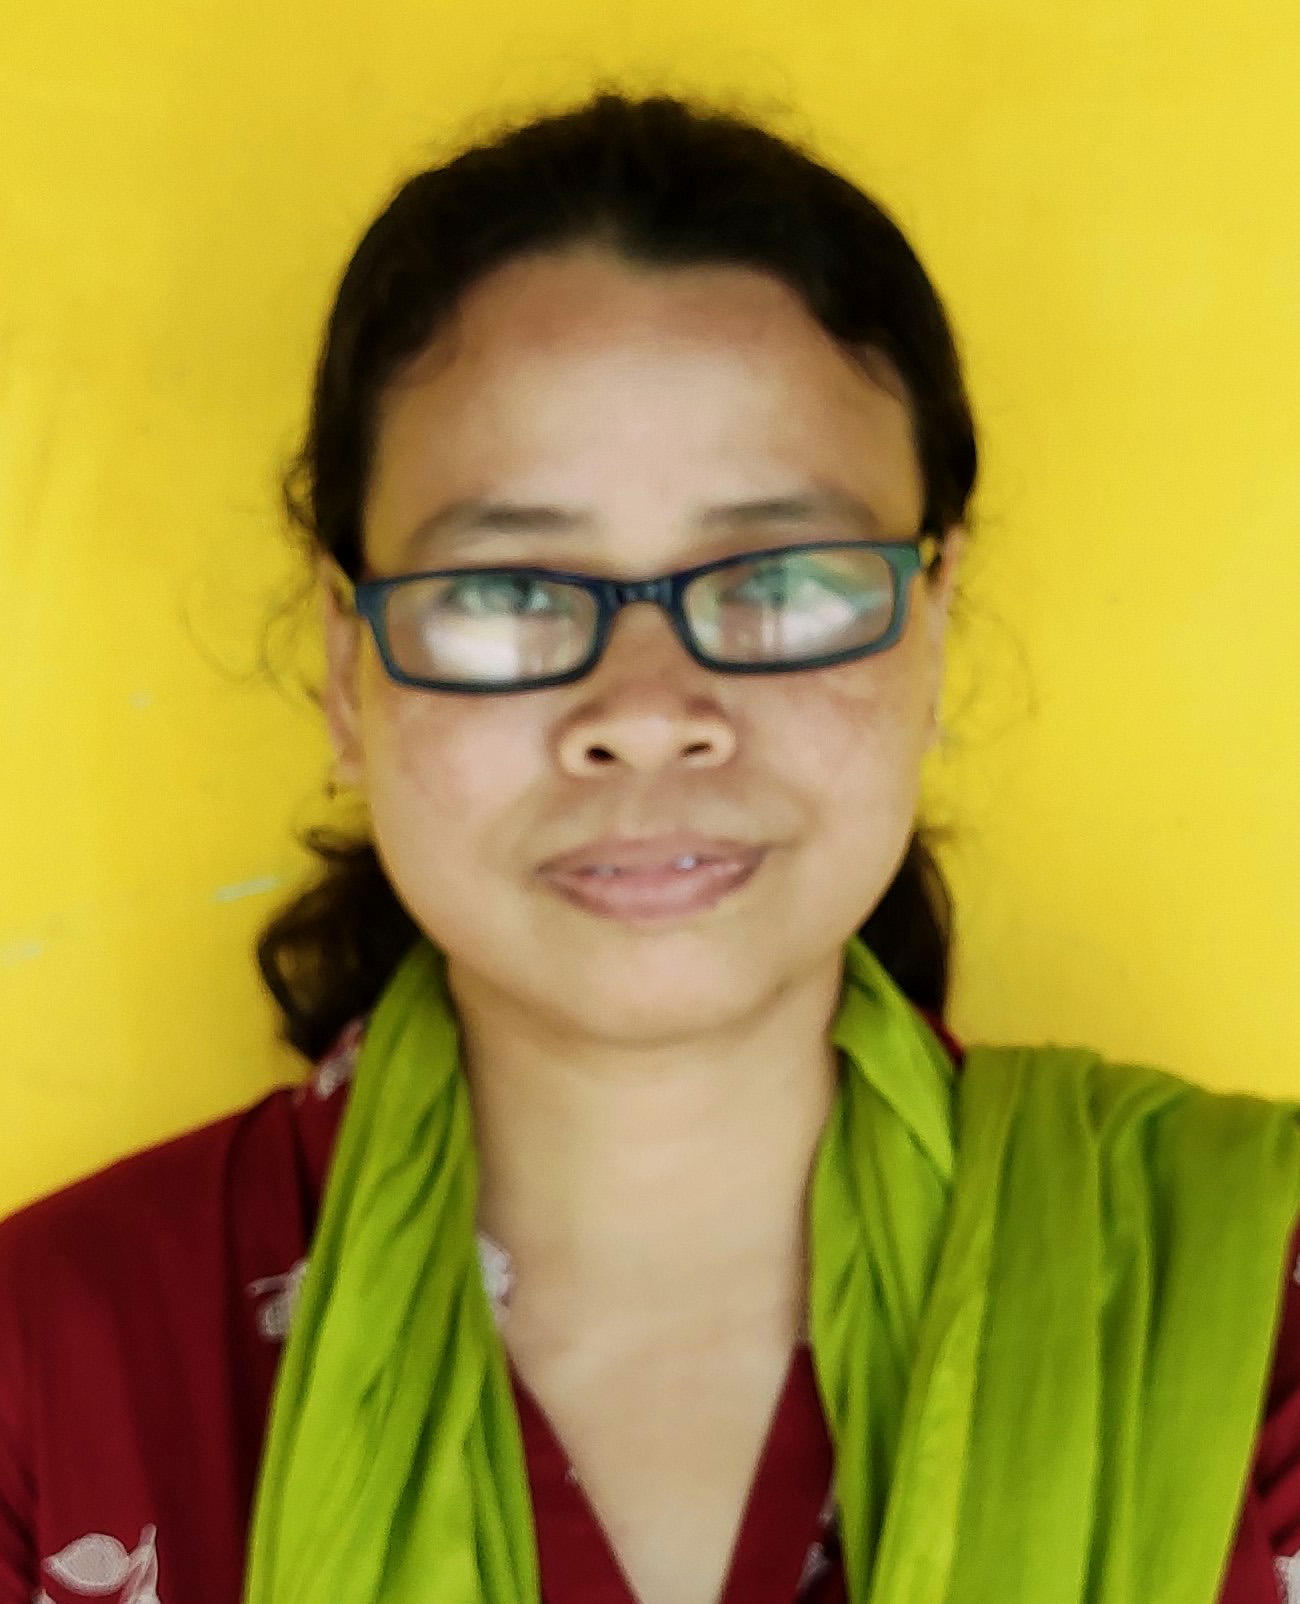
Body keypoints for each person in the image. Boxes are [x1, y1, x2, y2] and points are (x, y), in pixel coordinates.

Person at [1, 89, 1297, 1604]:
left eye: (782, 579)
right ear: (348, 674)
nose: (647, 715)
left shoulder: (1253, 1303)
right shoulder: (49, 1385)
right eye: (506, 593)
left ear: (933, 631)